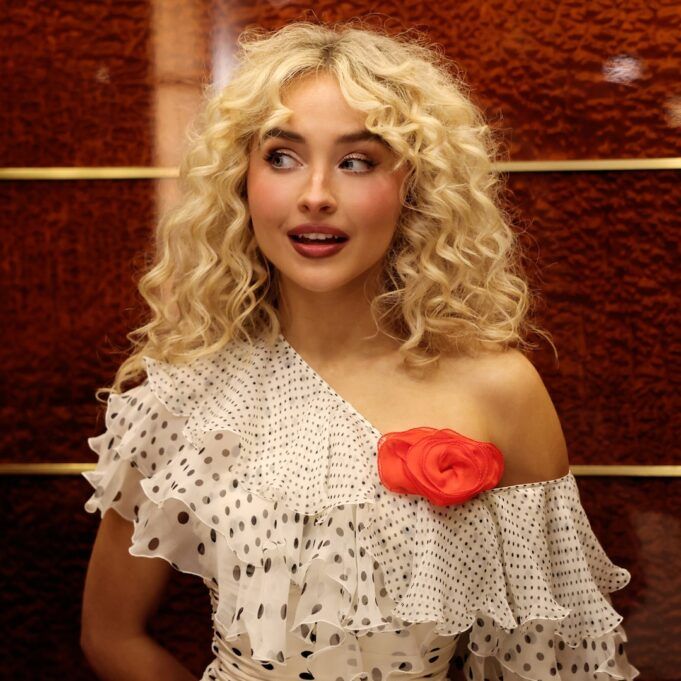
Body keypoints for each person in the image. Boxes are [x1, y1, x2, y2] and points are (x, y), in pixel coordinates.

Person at [80, 19, 640, 681]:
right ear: (240, 180)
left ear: (414, 188)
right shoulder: (188, 393)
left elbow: (556, 662)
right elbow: (111, 635)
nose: (315, 195)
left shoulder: (498, 389)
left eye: (356, 162)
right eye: (282, 157)